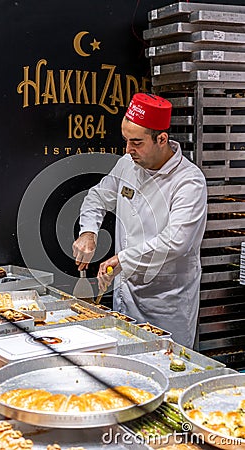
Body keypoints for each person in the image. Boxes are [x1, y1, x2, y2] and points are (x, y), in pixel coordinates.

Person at [72, 93, 207, 348]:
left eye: (136, 142)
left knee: (167, 368)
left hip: (166, 304)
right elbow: (98, 197)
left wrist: (123, 258)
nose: (128, 150)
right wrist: (89, 232)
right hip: (125, 297)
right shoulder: (127, 165)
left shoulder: (189, 181)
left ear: (162, 139)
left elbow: (176, 242)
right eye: (126, 141)